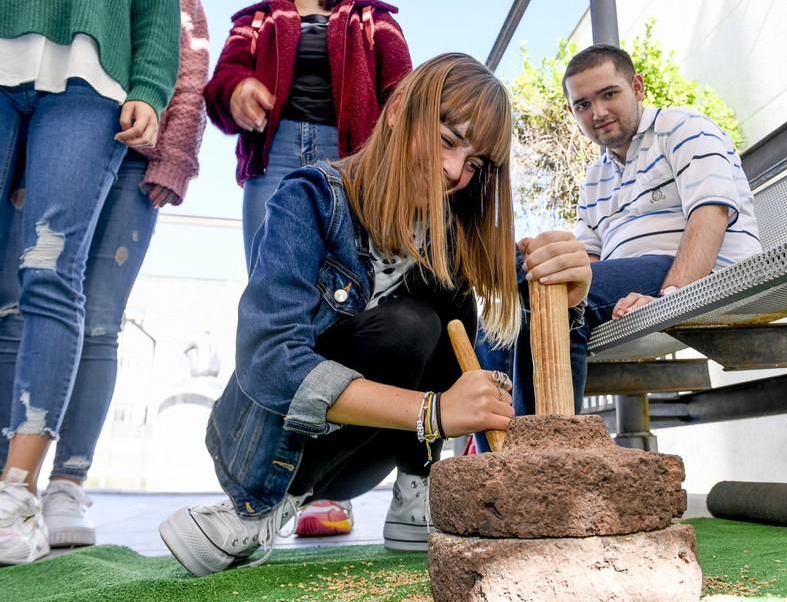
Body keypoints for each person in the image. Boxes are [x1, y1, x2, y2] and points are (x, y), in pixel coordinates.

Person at [158, 54, 592, 577]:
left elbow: (533, 335)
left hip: (367, 454)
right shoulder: (310, 199)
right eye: (447, 140)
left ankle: (418, 491)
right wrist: (434, 412)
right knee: (409, 323)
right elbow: (268, 362)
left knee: (447, 298)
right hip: (275, 451)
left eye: (474, 164)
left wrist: (568, 295)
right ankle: (260, 510)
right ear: (397, 110)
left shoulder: (452, 233)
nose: (455, 172)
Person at [0, 0, 180, 565]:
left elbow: (158, 8)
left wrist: (151, 89)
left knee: (50, 273)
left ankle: (16, 495)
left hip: (89, 86)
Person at [480, 44, 761, 422]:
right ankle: (499, 461)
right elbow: (590, 261)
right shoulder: (596, 177)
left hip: (700, 275)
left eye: (609, 94)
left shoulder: (684, 128)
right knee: (496, 326)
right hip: (631, 280)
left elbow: (711, 215)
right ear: (571, 112)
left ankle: (542, 453)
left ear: (638, 87)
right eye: (582, 105)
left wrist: (671, 296)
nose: (597, 112)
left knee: (550, 286)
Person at [36, 0, 210, 549]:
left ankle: (67, 481)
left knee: (103, 321)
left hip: (135, 167)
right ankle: (17, 477)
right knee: (26, 300)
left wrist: (173, 155)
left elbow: (190, 72)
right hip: (55, 143)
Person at [204, 0, 412, 269]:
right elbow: (220, 85)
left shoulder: (375, 19)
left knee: (348, 278)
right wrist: (237, 90)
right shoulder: (255, 22)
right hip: (273, 161)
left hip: (352, 161)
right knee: (269, 280)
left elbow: (404, 91)